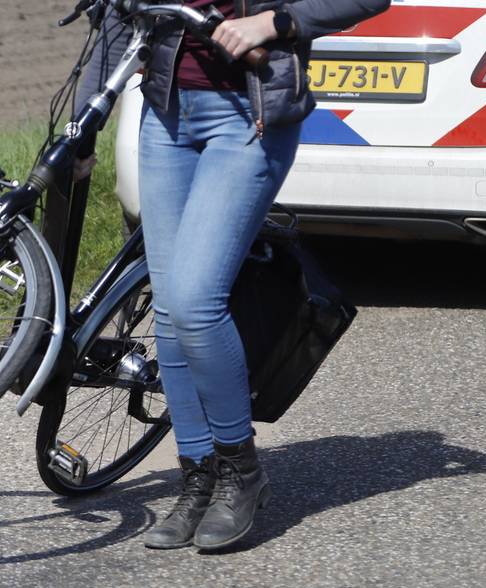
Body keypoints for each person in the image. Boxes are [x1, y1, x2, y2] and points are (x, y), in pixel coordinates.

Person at [119, 0, 391, 550]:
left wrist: (275, 23)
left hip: (247, 117)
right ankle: (197, 477)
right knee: (170, 309)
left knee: (196, 302)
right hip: (165, 114)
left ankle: (241, 471)